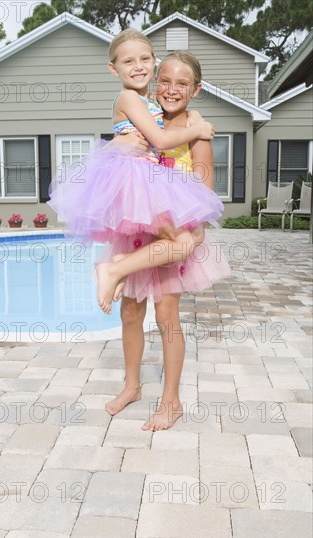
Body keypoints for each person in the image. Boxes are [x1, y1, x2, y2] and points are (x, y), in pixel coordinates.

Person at [48, 29, 225, 314]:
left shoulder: (150, 101)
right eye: (128, 61)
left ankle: (120, 268)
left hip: (146, 178)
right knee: (183, 243)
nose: (138, 66)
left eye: (144, 59)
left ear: (154, 61)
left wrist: (194, 116)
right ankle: (113, 269)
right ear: (113, 68)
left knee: (177, 243)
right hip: (138, 179)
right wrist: (199, 128)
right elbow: (161, 140)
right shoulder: (129, 97)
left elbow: (172, 106)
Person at [104, 51, 231, 430]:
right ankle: (132, 386)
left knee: (165, 316)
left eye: (182, 83)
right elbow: (115, 165)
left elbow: (205, 195)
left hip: (172, 235)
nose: (171, 89)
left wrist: (193, 232)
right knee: (130, 312)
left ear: (195, 89)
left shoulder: (198, 135)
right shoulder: (144, 122)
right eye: (165, 80)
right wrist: (118, 147)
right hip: (138, 233)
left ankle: (171, 400)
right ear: (155, 82)